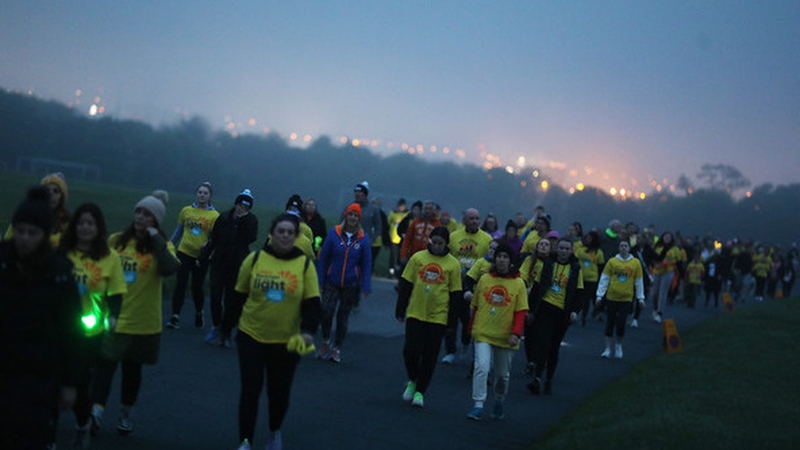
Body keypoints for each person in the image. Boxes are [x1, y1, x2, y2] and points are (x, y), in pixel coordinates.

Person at [0, 186, 84, 449]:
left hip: (40, 373)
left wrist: (71, 383)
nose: (25, 238)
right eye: (21, 231)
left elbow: (72, 331)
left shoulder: (59, 273)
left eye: (32, 233)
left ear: (44, 235)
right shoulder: (2, 263)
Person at [91, 190, 179, 436]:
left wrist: (157, 241)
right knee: (105, 367)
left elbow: (170, 268)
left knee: (132, 371)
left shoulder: (163, 246)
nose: (141, 217)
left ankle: (125, 415)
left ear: (156, 221)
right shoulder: (117, 241)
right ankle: (95, 412)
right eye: (139, 212)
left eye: (148, 214)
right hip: (115, 317)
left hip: (143, 322)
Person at [232, 213, 322, 450]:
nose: (284, 235)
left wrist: (308, 330)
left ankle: (274, 432)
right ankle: (245, 440)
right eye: (280, 231)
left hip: (288, 341)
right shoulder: (255, 259)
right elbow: (238, 296)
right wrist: (226, 325)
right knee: (250, 390)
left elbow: (312, 303)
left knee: (278, 394)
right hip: (251, 335)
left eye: (289, 232)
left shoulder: (303, 265)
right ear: (271, 234)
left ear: (296, 237)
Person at [58, 203, 128, 447]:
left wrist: (113, 315)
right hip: (60, 329)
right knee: (50, 380)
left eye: (90, 223)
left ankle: (82, 422)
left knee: (78, 381)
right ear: (74, 226)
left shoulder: (109, 258)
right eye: (81, 222)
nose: (85, 227)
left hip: (89, 331)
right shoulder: (62, 253)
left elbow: (116, 294)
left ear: (98, 228)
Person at [395, 226, 462, 409]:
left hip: (438, 316)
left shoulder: (453, 264)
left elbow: (455, 295)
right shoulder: (418, 258)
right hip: (416, 312)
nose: (437, 246)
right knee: (410, 350)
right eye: (435, 242)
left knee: (430, 355)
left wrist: (452, 321)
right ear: (430, 241)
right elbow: (406, 284)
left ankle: (420, 391)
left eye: (441, 243)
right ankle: (412, 379)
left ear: (446, 244)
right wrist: (400, 309)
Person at [464, 243, 527, 421]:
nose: (501, 259)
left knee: (502, 375)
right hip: (483, 331)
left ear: (511, 260)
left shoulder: (518, 284)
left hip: (506, 336)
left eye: (505, 257)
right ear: (494, 258)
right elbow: (476, 306)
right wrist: (471, 327)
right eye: (499, 256)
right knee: (481, 367)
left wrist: (516, 333)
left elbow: (521, 311)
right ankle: (478, 404)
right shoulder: (484, 279)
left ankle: (499, 399)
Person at [200, 189, 259, 347]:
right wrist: (203, 256)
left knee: (231, 300)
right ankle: (216, 326)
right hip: (219, 262)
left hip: (237, 265)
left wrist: (241, 222)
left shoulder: (251, 220)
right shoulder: (224, 217)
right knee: (215, 296)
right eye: (241, 204)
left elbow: (250, 238)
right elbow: (214, 238)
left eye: (246, 207)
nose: (242, 208)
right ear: (236, 203)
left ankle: (226, 331)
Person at [525, 238, 583, 395]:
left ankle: (549, 378)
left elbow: (579, 293)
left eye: (567, 249)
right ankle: (537, 378)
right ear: (557, 249)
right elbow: (537, 288)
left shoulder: (576, 268)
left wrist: (574, 311)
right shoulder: (548, 264)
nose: (563, 251)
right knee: (541, 341)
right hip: (545, 307)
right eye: (561, 248)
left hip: (563, 311)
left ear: (571, 251)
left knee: (553, 346)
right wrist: (530, 310)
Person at [316, 203, 372, 363]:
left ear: (359, 219)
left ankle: (337, 348)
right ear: (345, 216)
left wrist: (366, 285)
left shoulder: (363, 238)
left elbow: (366, 264)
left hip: (351, 284)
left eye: (356, 215)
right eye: (350, 215)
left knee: (343, 317)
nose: (353, 218)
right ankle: (326, 341)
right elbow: (323, 258)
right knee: (326, 312)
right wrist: (320, 280)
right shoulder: (334, 233)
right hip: (331, 281)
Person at [168, 181, 219, 330]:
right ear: (196, 194)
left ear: (210, 196)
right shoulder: (186, 211)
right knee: (180, 284)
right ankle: (175, 316)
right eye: (200, 192)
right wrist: (169, 245)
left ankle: (199, 312)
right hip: (184, 252)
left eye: (205, 193)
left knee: (197, 287)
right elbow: (178, 231)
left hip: (201, 257)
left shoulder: (214, 216)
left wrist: (207, 250)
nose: (202, 195)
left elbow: (215, 238)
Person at [443, 208, 492, 364]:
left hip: (474, 286)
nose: (474, 221)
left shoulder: (486, 239)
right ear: (464, 220)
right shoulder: (454, 236)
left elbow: (489, 261)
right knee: (451, 318)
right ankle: (450, 351)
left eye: (477, 218)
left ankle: (465, 342)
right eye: (471, 218)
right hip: (454, 283)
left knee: (467, 318)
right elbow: (446, 257)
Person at [595, 239, 644, 359]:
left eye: (625, 246)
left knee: (621, 323)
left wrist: (640, 298)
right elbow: (604, 278)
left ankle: (618, 345)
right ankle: (607, 348)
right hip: (612, 296)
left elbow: (638, 281)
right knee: (610, 322)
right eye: (621, 246)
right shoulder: (612, 262)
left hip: (626, 298)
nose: (623, 248)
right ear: (618, 248)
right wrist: (599, 295)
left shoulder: (635, 263)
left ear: (629, 248)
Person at [4, 172, 71, 246]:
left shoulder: (66, 223)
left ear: (62, 198)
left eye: (56, 191)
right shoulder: (26, 216)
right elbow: (8, 242)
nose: (51, 194)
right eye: (47, 190)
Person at [649, 231, 681, 322]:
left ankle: (660, 312)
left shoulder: (675, 249)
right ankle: (655, 309)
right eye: (665, 237)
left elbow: (678, 262)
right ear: (662, 237)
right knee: (655, 293)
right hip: (657, 270)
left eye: (669, 237)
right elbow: (652, 258)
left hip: (668, 271)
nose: (667, 238)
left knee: (663, 292)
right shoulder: (657, 247)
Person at [575, 230, 605, 325]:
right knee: (577, 297)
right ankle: (575, 314)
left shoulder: (598, 252)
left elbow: (601, 266)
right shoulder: (581, 250)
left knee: (586, 299)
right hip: (580, 277)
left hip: (591, 278)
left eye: (589, 238)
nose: (587, 240)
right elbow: (575, 258)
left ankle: (583, 317)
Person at [352, 181, 382, 252]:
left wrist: (370, 240)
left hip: (364, 244)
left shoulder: (373, 209)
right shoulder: (349, 208)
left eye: (360, 192)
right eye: (356, 192)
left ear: (365, 194)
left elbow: (378, 227)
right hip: (350, 243)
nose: (357, 194)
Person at [387, 198, 409, 277]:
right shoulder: (393, 213)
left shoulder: (407, 214)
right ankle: (391, 271)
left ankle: (399, 272)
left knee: (401, 256)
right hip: (393, 239)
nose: (401, 208)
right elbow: (388, 224)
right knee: (393, 256)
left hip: (403, 239)